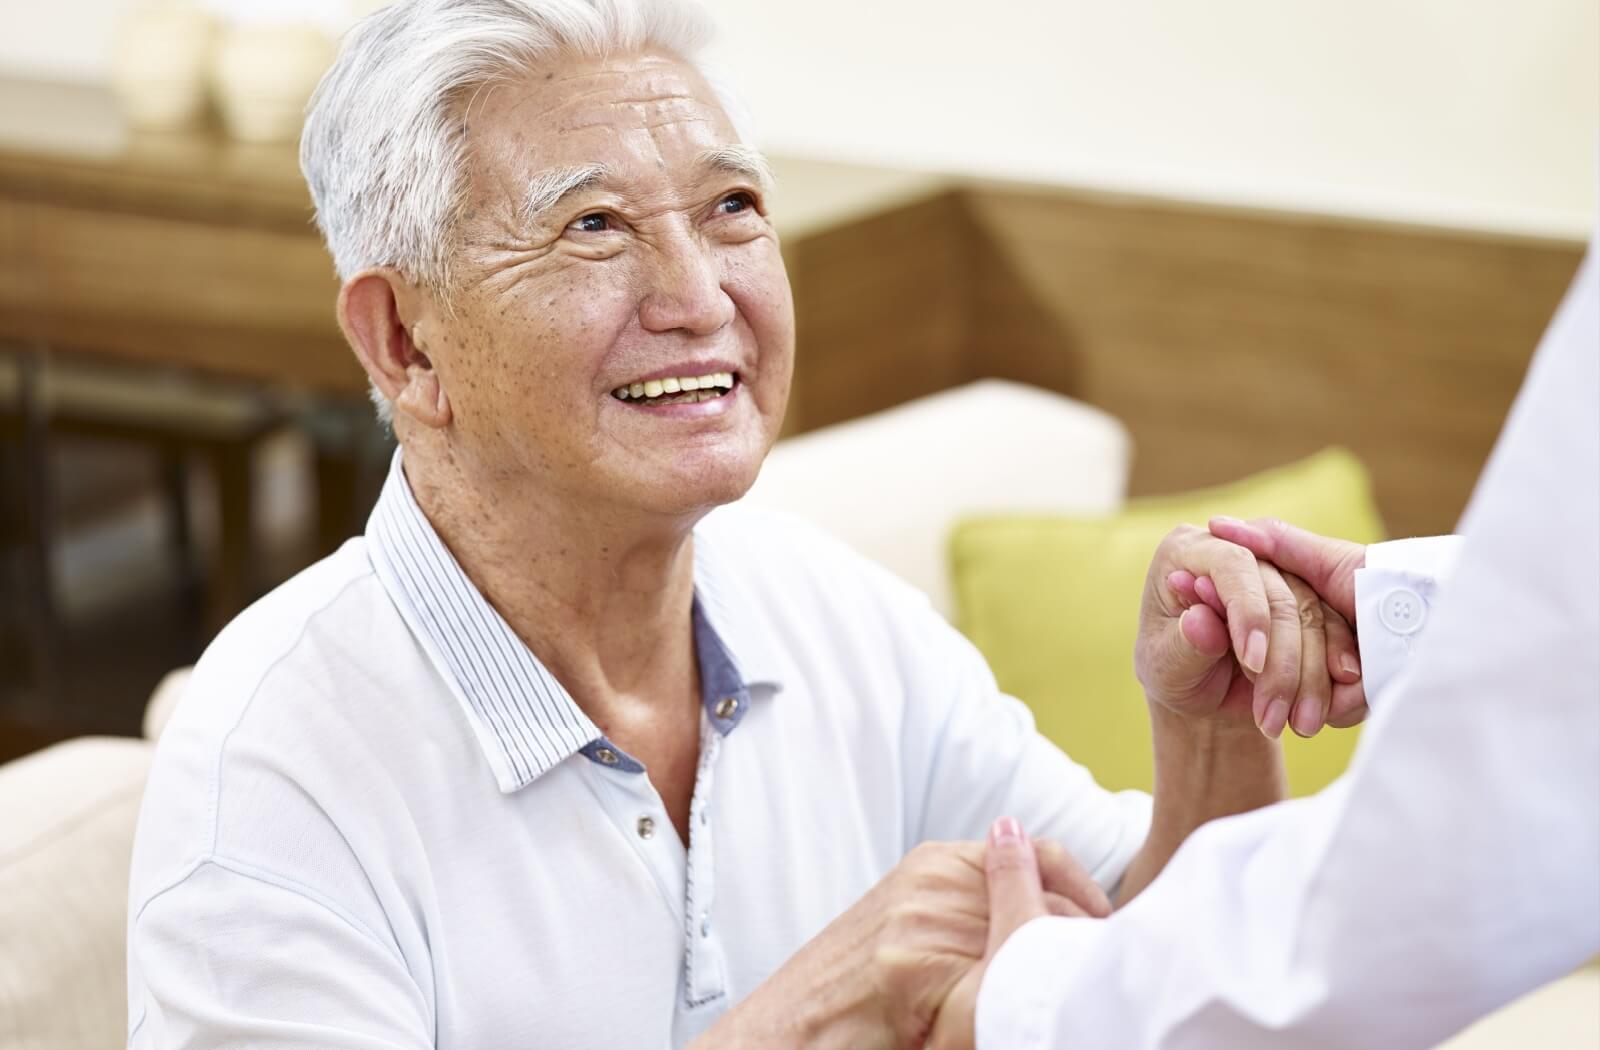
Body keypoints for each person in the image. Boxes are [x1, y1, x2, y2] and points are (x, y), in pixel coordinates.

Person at [125, 1, 1439, 1045]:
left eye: (732, 208)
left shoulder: (835, 608)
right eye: (593, 226)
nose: (699, 294)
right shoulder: (270, 768)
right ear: (407, 340)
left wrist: (1207, 732)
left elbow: (1151, 973)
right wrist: (807, 1018)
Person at [928, 231, 1600, 1049]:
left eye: (740, 205)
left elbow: (1411, 891)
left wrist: (1024, 1001)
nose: (716, 301)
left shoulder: (876, 649)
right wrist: (1400, 617)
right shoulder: (854, 611)